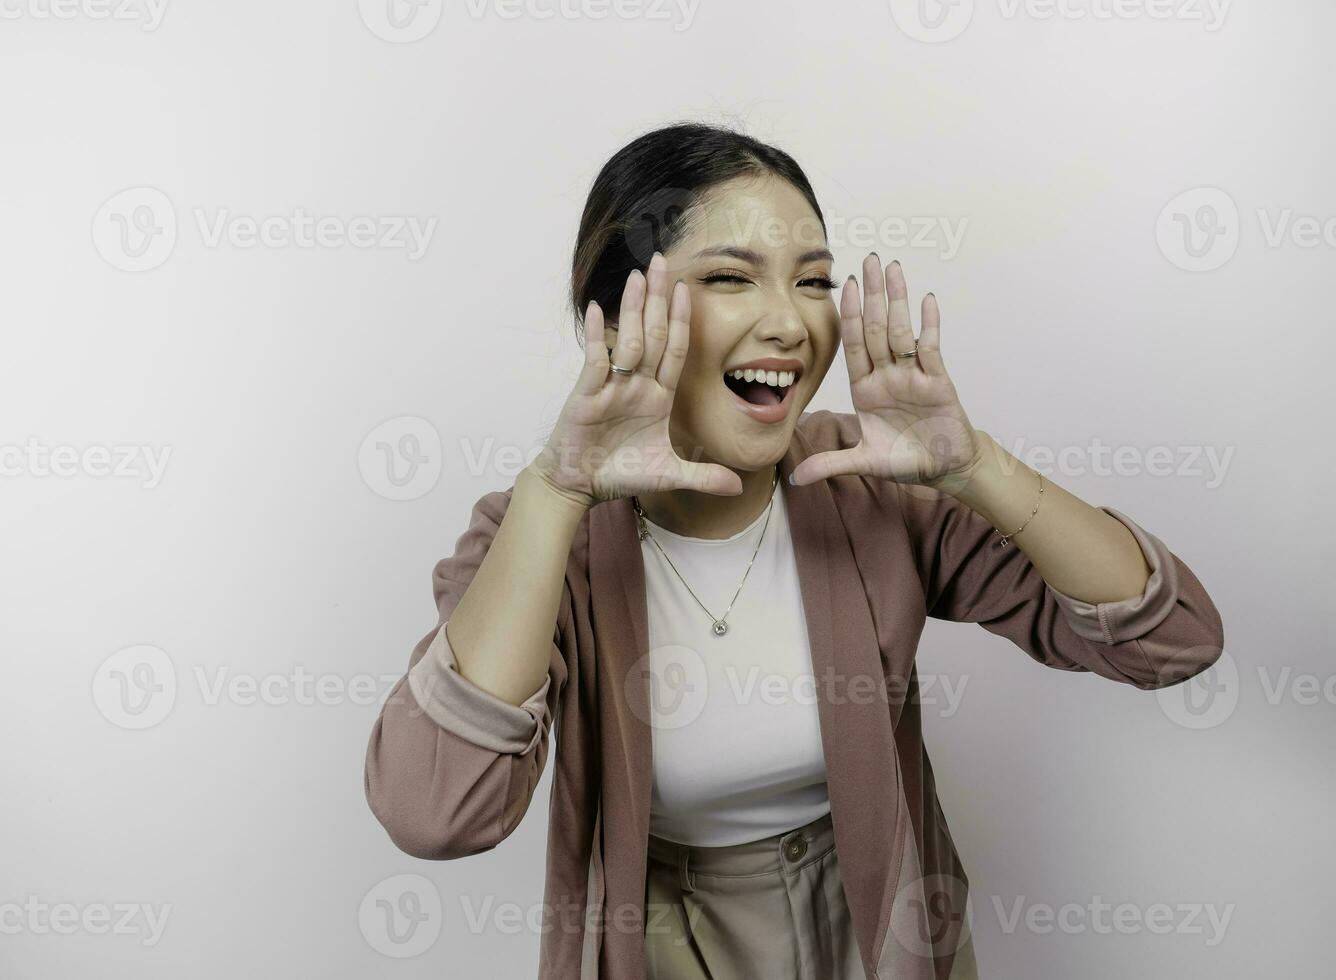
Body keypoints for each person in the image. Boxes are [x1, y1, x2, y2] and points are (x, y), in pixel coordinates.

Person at [364, 122, 1226, 979]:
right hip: (662, 944)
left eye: (813, 280)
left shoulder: (867, 478)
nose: (789, 321)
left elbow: (1172, 641)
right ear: (622, 313)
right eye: (732, 276)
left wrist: (976, 468)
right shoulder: (539, 534)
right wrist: (556, 493)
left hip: (885, 929)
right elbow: (435, 813)